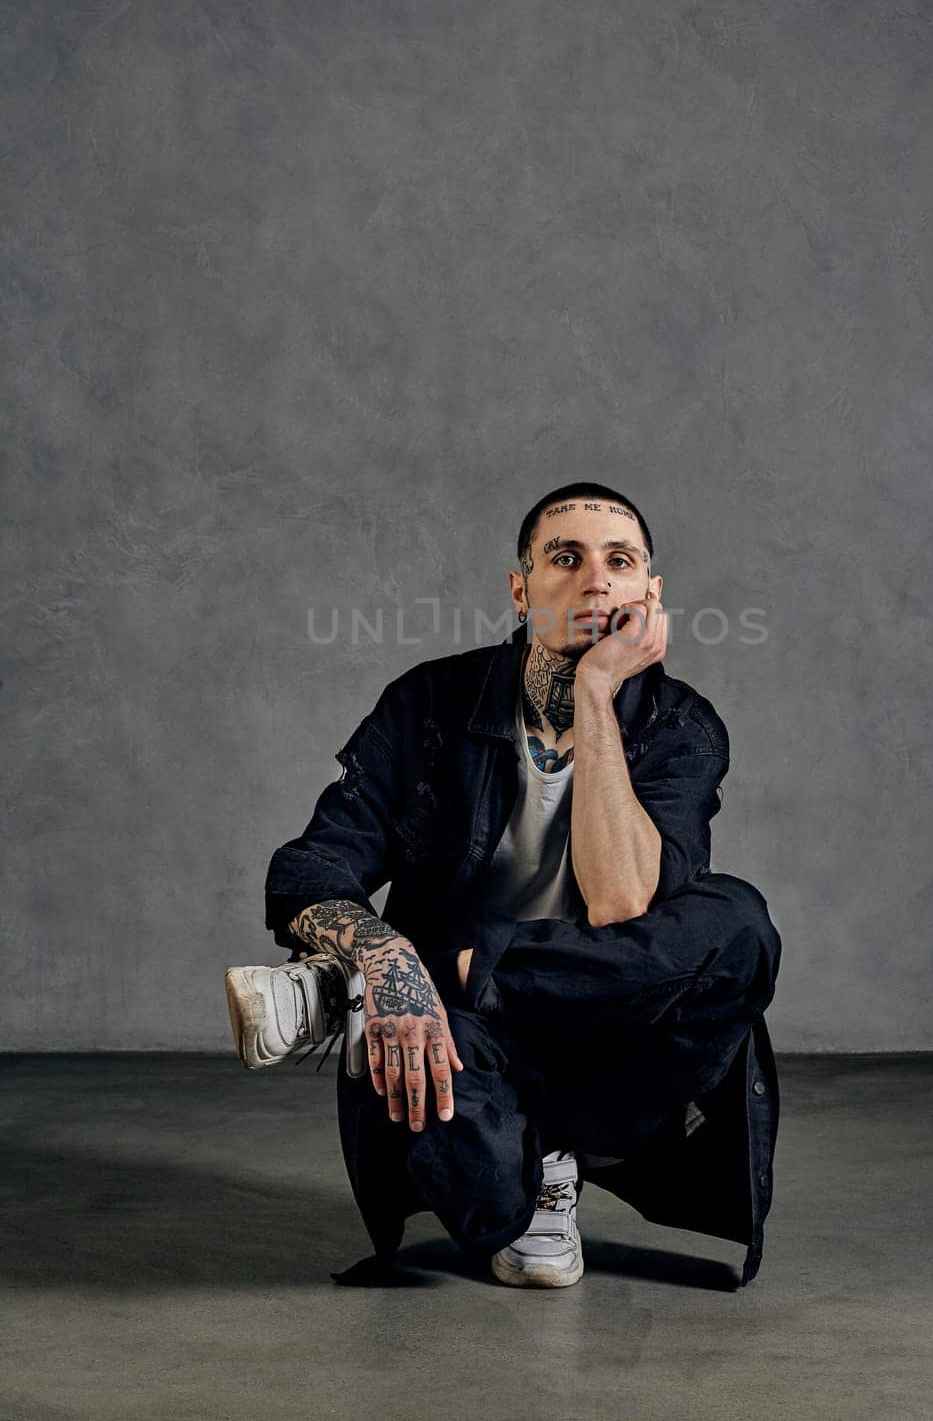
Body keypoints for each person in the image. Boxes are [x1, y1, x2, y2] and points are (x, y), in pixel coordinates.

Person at [260, 481, 782, 1288]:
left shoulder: (681, 726)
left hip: (616, 1037)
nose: (595, 581)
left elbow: (621, 905)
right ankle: (529, 1164)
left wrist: (598, 692)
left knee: (738, 923)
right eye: (564, 559)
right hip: (463, 1038)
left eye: (620, 562)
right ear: (520, 588)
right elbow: (315, 866)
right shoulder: (427, 705)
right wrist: (381, 953)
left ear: (650, 593)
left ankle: (391, 986)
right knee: (455, 1124)